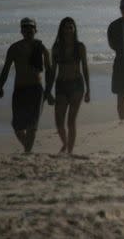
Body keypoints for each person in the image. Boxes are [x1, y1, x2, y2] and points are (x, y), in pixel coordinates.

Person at [0, 18, 51, 153]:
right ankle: (28, 149)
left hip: (36, 90)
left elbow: (49, 71)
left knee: (32, 125)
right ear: (21, 30)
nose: (27, 30)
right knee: (17, 126)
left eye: (30, 28)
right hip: (20, 90)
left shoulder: (41, 48)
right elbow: (6, 69)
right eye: (25, 28)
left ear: (35, 30)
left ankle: (27, 153)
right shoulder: (14, 48)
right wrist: (0, 87)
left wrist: (49, 91)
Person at [46, 17, 90, 154]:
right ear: (61, 29)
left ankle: (69, 152)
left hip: (77, 85)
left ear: (74, 29)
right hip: (61, 85)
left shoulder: (80, 47)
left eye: (71, 27)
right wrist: (48, 91)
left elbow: (85, 67)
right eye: (66, 27)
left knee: (71, 121)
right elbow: (53, 71)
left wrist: (88, 90)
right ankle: (65, 143)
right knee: (59, 122)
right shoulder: (57, 48)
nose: (68, 30)